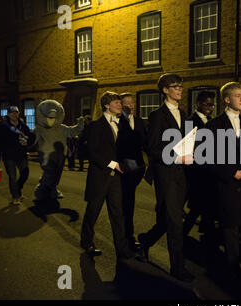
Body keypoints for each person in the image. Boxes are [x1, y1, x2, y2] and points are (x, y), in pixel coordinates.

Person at [137, 74, 195, 282]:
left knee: (168, 219)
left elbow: (187, 142)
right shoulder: (157, 115)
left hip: (182, 174)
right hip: (166, 173)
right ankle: (177, 268)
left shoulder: (184, 114)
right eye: (175, 86)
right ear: (165, 90)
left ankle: (145, 241)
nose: (180, 89)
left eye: (181, 85)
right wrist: (177, 155)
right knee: (175, 221)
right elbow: (152, 148)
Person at [80, 91, 141, 262]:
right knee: (93, 212)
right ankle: (87, 242)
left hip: (117, 179)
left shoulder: (123, 124)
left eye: (120, 103)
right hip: (100, 176)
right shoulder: (95, 126)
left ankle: (122, 250)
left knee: (118, 214)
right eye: (116, 102)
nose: (120, 105)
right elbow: (92, 151)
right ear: (107, 105)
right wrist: (113, 164)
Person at [206, 81, 241, 280]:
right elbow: (208, 156)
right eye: (238, 96)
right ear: (226, 99)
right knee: (230, 226)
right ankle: (232, 268)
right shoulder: (214, 125)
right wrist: (231, 172)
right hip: (225, 184)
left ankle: (225, 258)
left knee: (239, 224)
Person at [183, 90, 216, 236]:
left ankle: (207, 232)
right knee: (198, 206)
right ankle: (182, 235)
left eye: (212, 104)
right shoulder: (191, 122)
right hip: (198, 171)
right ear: (198, 104)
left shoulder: (211, 121)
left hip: (210, 170)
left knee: (206, 205)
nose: (211, 107)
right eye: (207, 104)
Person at [117, 92, 147, 252]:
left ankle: (128, 235)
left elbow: (145, 143)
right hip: (124, 170)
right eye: (127, 103)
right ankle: (127, 237)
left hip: (138, 169)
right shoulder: (117, 122)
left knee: (129, 202)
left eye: (132, 103)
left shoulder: (140, 121)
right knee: (126, 204)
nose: (131, 106)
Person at [0, 106, 35, 205]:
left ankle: (18, 188)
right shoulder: (3, 126)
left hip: (21, 154)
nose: (14, 114)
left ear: (18, 113)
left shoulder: (22, 125)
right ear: (8, 114)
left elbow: (29, 136)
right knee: (12, 177)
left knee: (25, 173)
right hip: (9, 156)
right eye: (12, 113)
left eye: (16, 112)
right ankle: (15, 196)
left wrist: (28, 142)